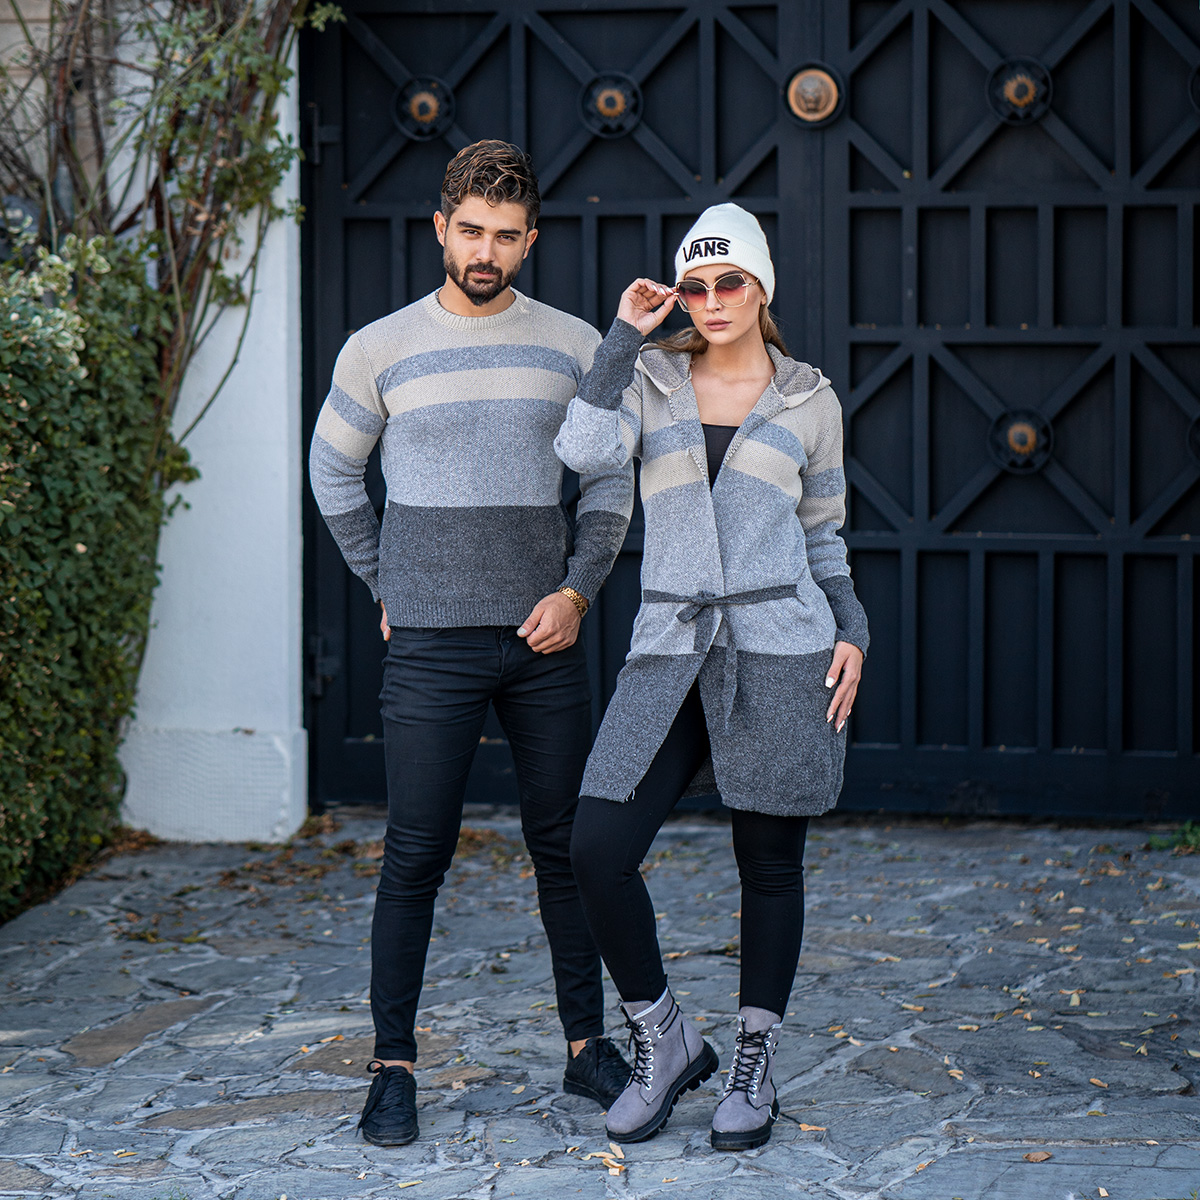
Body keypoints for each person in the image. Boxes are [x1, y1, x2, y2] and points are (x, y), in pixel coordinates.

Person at [309, 140, 634, 1147]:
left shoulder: (574, 345)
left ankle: (588, 1048)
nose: (486, 251)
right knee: (415, 853)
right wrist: (386, 581)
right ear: (441, 228)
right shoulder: (379, 348)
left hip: (544, 641)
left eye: (506, 235)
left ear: (531, 240)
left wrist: (579, 592)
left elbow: (609, 480)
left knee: (566, 850)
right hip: (431, 647)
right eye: (471, 231)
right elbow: (332, 473)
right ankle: (393, 1066)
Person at [554, 203, 868, 1150]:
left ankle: (754, 1059)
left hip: (783, 648)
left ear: (762, 286)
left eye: (731, 281)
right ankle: (665, 1037)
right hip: (670, 644)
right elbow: (581, 451)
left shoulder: (810, 401)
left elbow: (824, 535)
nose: (713, 300)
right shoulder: (651, 380)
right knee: (596, 847)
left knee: (769, 864)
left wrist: (853, 630)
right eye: (695, 286)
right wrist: (622, 335)